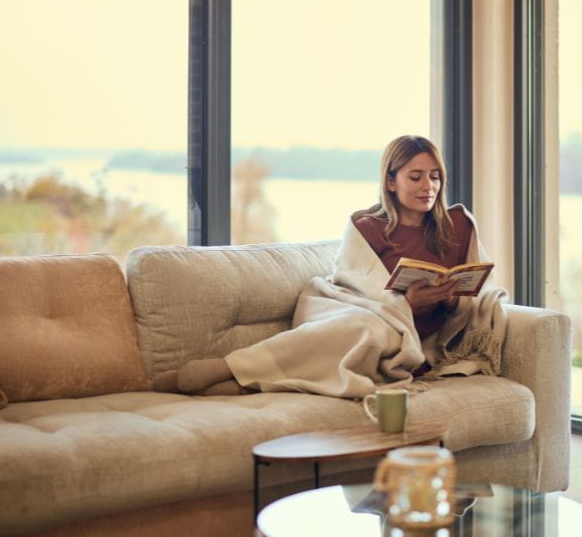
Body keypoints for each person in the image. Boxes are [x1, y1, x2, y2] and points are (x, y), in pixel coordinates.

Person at [153, 135, 507, 397]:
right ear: (390, 180)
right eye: (415, 177)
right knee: (367, 326)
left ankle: (244, 382)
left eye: (435, 177)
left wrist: (449, 299)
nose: (428, 186)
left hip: (417, 341)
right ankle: (229, 367)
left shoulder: (458, 225)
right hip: (359, 314)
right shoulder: (367, 226)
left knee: (375, 331)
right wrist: (406, 305)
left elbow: (476, 293)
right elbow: (355, 287)